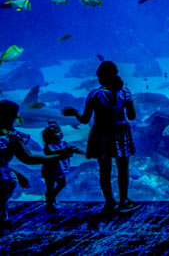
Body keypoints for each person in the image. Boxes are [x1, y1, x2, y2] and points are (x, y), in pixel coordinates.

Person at [62, 60, 141, 214]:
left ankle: (110, 202)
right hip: (121, 132)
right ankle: (124, 201)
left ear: (100, 77)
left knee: (104, 169)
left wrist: (74, 112)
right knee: (123, 168)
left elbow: (85, 119)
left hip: (102, 133)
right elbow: (131, 116)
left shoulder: (94, 94)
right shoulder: (125, 92)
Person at [0, 100, 76, 228]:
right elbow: (28, 158)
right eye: (15, 115)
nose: (16, 118)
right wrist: (59, 156)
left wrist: (17, 173)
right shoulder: (10, 136)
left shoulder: (10, 135)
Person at [41, 122, 82, 212]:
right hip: (50, 169)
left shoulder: (64, 143)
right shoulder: (48, 145)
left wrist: (84, 153)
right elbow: (51, 153)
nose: (60, 134)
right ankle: (49, 203)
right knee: (50, 187)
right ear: (49, 136)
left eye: (60, 131)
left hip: (60, 169)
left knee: (62, 184)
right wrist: (65, 150)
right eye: (56, 132)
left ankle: (52, 197)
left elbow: (73, 149)